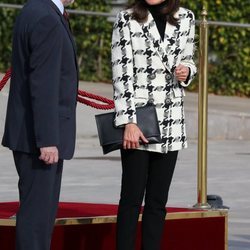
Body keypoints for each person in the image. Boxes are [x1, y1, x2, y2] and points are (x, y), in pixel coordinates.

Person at [111, 0, 197, 249]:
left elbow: (189, 58)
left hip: (171, 118)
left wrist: (187, 72)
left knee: (158, 202)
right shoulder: (126, 18)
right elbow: (121, 72)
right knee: (131, 199)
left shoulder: (186, 17)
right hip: (139, 121)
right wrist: (128, 120)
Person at [1, 0, 78, 249]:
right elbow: (44, 84)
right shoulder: (47, 18)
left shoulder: (34, 9)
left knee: (38, 217)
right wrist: (47, 140)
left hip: (27, 133)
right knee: (38, 221)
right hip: (39, 139)